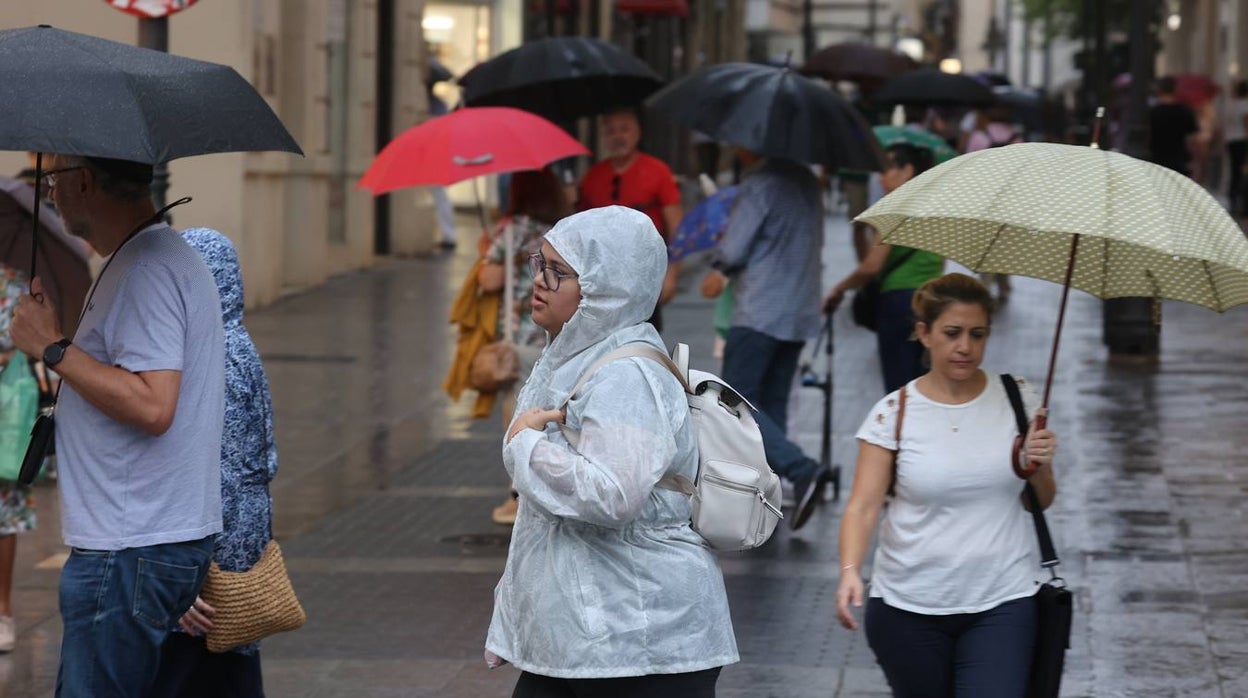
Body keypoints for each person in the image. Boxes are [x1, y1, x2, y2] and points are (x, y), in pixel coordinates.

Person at [484, 206, 737, 697]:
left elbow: (613, 493)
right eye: (540, 263)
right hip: (592, 638)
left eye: (559, 273)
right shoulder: (577, 354)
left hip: (642, 640)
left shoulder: (626, 376)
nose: (538, 280)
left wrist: (526, 447)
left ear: (607, 287)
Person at [9, 154, 224, 698]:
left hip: (129, 548)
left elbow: (154, 405)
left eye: (53, 180)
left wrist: (53, 348)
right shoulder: (154, 256)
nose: (50, 194)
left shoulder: (147, 267)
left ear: (85, 180)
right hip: (143, 542)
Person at [835, 273, 1059, 698]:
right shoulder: (893, 413)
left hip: (1004, 600)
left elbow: (1041, 501)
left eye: (978, 335)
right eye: (952, 333)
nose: (965, 347)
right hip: (907, 607)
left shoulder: (1017, 399)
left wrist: (1039, 465)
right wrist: (850, 572)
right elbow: (862, 507)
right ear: (923, 333)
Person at [149, 228, 277, 698]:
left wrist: (190, 574)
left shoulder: (209, 358)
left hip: (214, 553)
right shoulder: (238, 344)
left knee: (190, 670)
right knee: (231, 672)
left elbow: (215, 470)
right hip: (243, 539)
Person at [700, 148, 831, 530]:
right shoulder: (807, 180)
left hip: (760, 308)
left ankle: (801, 469)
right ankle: (766, 496)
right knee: (769, 408)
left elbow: (735, 248)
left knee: (734, 405)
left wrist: (720, 261)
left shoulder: (760, 183)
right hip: (798, 308)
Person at [478, 168, 571, 525]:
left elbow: (490, 280)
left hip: (520, 336)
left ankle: (520, 496)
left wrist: (487, 254)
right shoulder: (563, 230)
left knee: (518, 415)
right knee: (552, 413)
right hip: (554, 336)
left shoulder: (511, 229)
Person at [823, 143, 944, 394]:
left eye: (887, 169)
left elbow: (871, 267)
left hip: (899, 303)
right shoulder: (937, 206)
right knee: (926, 385)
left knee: (899, 389)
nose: (880, 176)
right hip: (934, 303)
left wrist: (840, 288)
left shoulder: (895, 207)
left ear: (907, 170)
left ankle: (900, 433)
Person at [578, 109, 683, 329]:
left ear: (638, 133)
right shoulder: (592, 177)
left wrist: (671, 274)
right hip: (601, 276)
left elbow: (677, 227)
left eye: (625, 129)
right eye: (611, 131)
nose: (618, 136)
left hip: (645, 273)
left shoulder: (657, 171)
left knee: (643, 338)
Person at [0, 264, 37, 654]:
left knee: (3, 510)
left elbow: (24, 342)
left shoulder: (15, 279)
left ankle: (3, 611)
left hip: (5, 407)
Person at [964, 104, 1022, 303]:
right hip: (1009, 198)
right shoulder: (1016, 138)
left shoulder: (979, 137)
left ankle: (986, 283)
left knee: (986, 241)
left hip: (984, 197)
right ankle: (1004, 284)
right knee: (1005, 241)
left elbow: (969, 166)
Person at [1149, 76, 1200, 177]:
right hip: (1179, 158)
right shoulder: (1184, 111)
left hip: (1157, 158)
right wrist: (1195, 161)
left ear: (1159, 90)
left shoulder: (1153, 112)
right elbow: (1192, 138)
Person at [1224, 80, 1248, 215]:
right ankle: (1242, 203)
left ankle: (1233, 200)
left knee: (1234, 172)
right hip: (1242, 141)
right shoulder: (1245, 105)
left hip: (1231, 141)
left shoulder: (1230, 105)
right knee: (1242, 171)